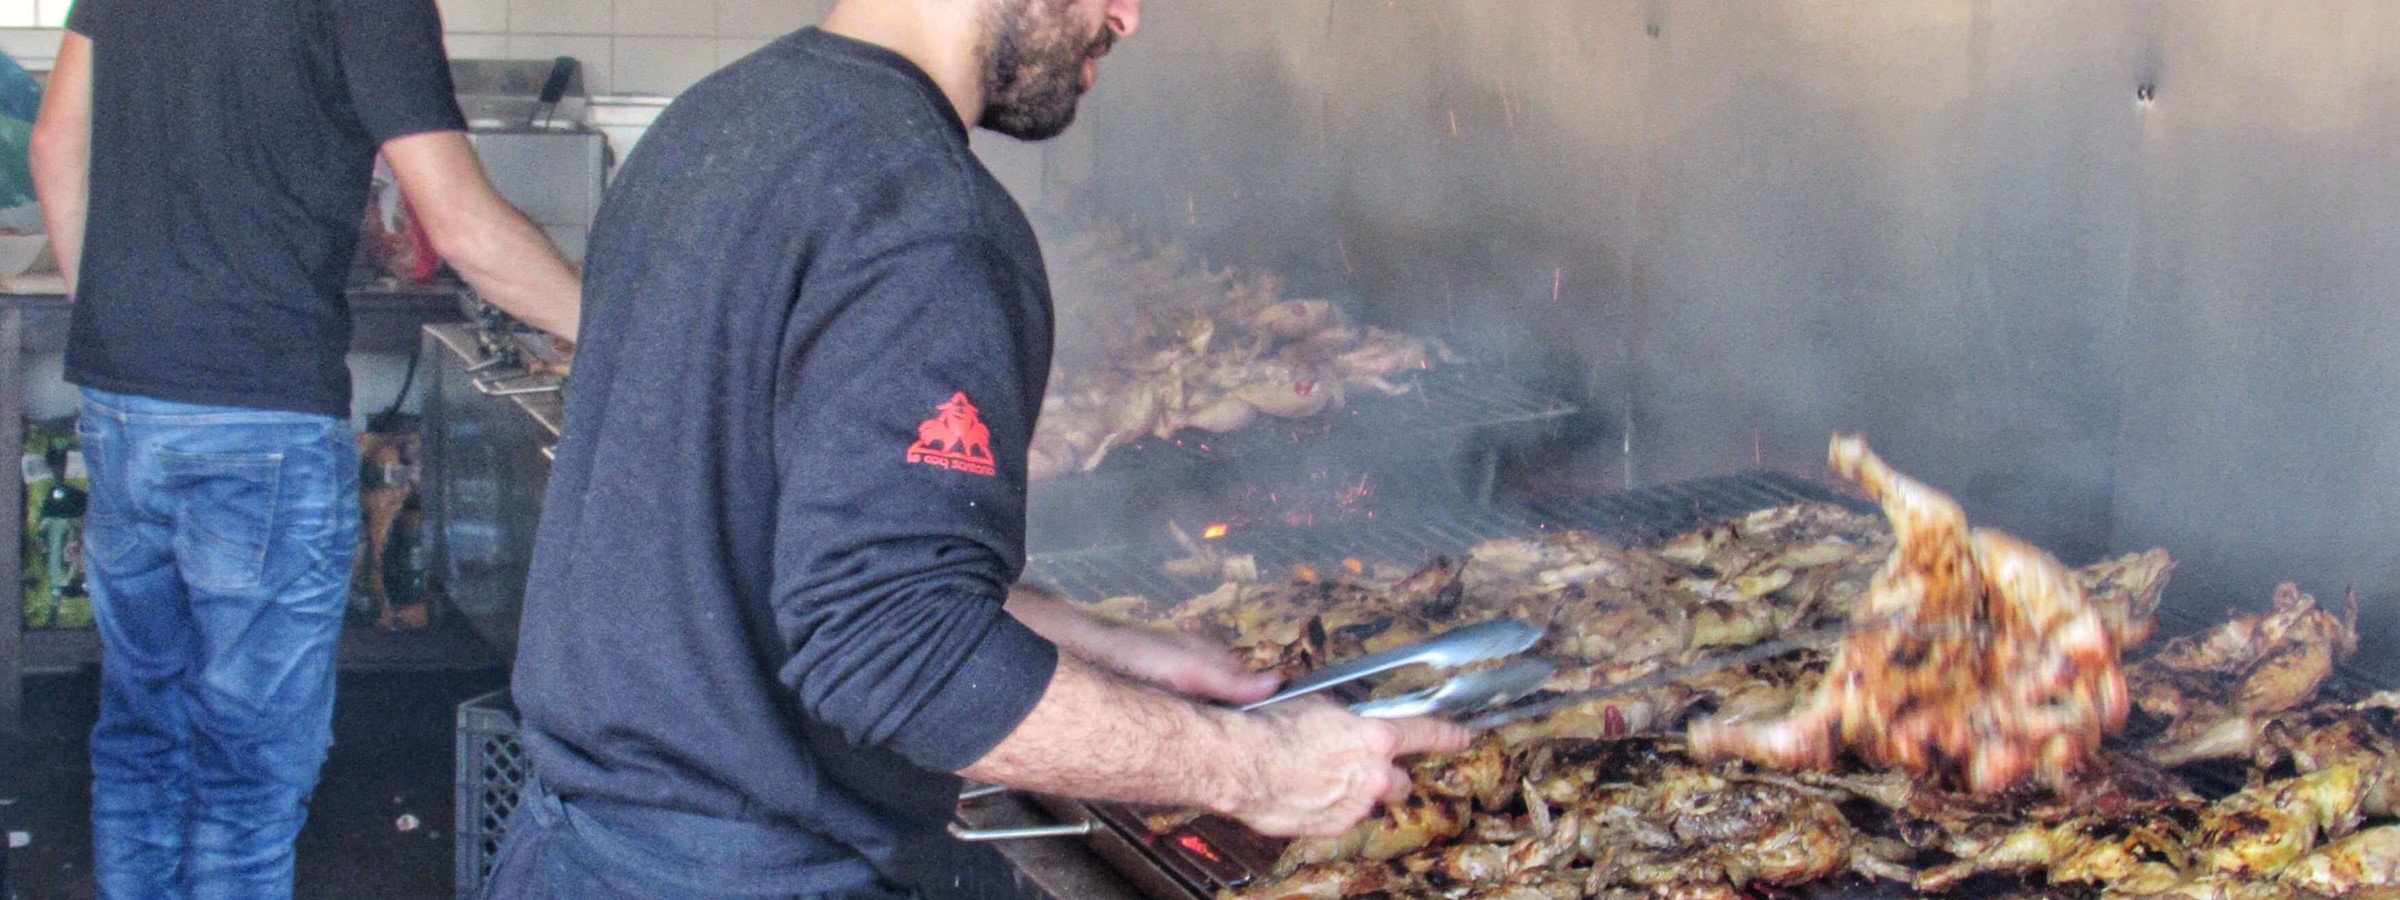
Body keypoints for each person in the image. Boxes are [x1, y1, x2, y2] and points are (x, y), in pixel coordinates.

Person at [492, 0, 1468, 897]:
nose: (1128, 16)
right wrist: (1258, 769)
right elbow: (894, 649)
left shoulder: (711, 124)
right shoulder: (926, 222)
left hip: (572, 852)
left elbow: (792, 545)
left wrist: (1110, 649)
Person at [27, 0, 581, 896]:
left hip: (123, 402)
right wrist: (614, 336)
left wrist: (129, 327)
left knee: (141, 734)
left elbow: (55, 144)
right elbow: (465, 224)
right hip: (263, 417)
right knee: (247, 768)